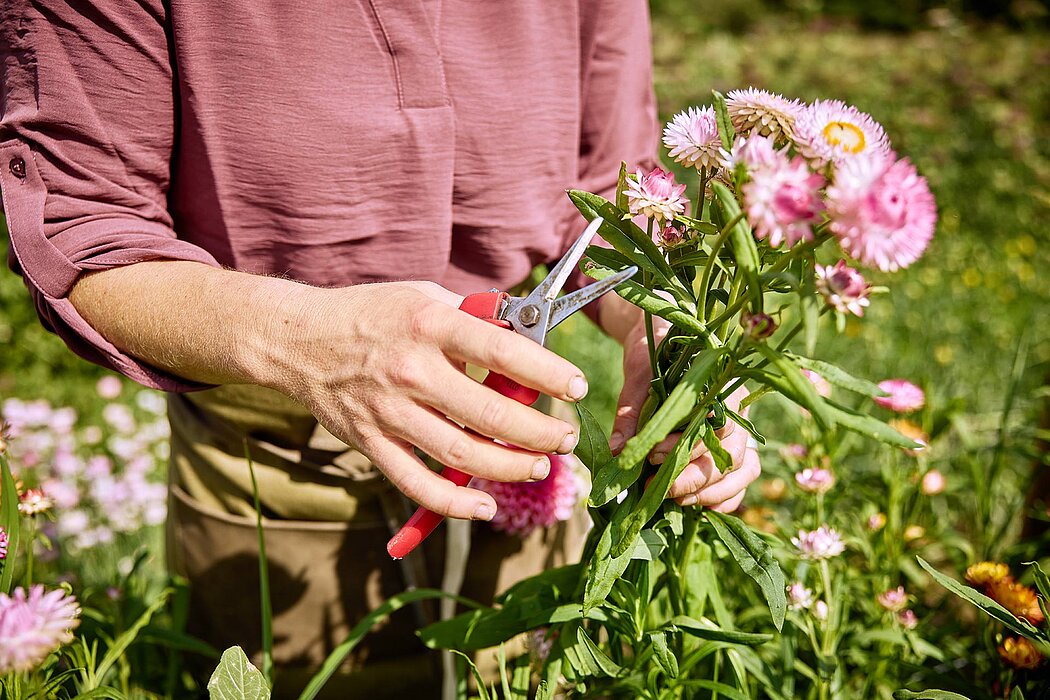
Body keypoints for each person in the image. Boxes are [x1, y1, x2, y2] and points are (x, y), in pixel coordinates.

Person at [0, 0, 761, 695]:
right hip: (274, 466)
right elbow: (84, 232)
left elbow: (609, 202)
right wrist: (314, 342)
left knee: (518, 674)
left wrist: (663, 334)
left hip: (515, 459)